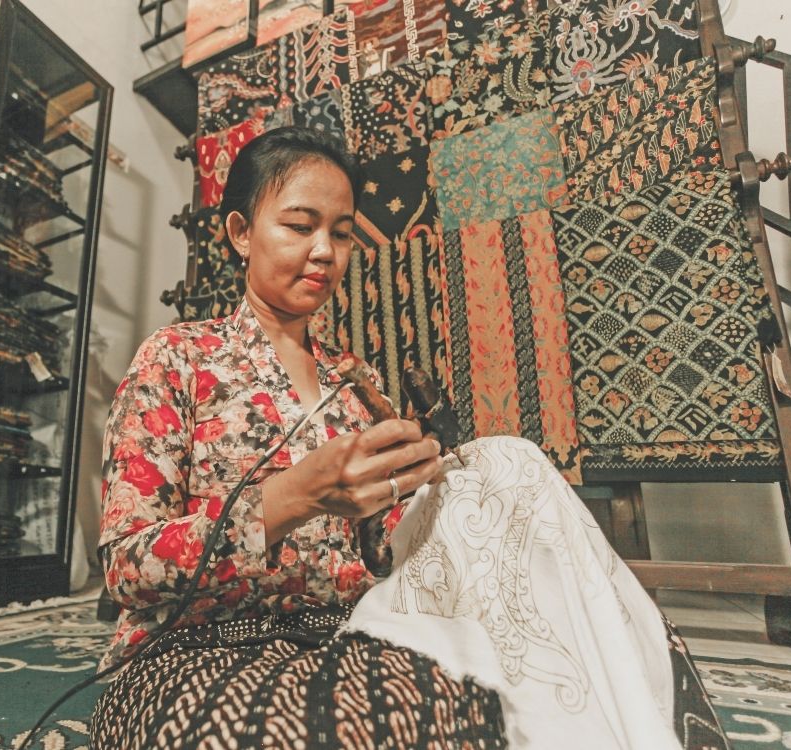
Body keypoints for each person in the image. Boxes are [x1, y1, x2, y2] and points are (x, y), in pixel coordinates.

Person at [90, 126, 727, 749]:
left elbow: (389, 555)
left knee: (509, 500)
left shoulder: (356, 383)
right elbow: (123, 569)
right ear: (240, 233)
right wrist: (288, 500)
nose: (324, 252)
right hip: (195, 647)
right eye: (299, 225)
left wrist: (431, 497)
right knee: (303, 734)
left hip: (348, 633)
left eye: (340, 234)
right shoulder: (176, 359)